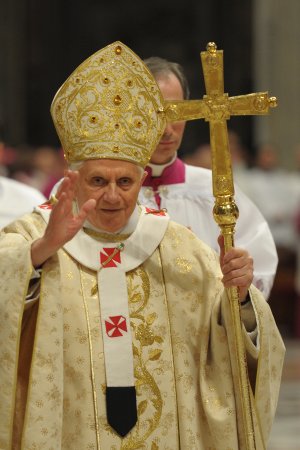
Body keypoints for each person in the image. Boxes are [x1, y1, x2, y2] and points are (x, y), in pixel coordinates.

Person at [0, 41, 284, 450]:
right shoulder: (35, 233)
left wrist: (241, 300)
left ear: (140, 179)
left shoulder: (182, 248)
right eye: (98, 181)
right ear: (74, 176)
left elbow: (228, 348)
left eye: (126, 182)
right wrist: (43, 251)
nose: (113, 196)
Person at [140, 56, 278, 299]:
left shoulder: (210, 190)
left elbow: (257, 278)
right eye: (154, 113)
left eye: (176, 112)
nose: (166, 130)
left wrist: (243, 283)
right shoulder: (105, 193)